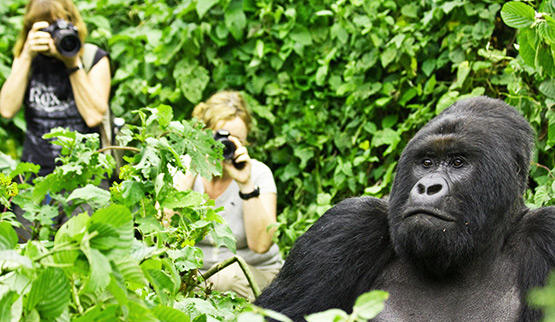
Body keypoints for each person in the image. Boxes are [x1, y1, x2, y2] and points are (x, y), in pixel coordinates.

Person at [172, 91, 282, 301]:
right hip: (196, 276)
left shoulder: (258, 174)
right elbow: (164, 228)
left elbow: (261, 245)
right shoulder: (182, 169)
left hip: (253, 274)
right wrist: (195, 165)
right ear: (203, 134)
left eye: (235, 140)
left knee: (226, 279)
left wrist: (245, 184)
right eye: (219, 138)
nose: (225, 147)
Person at [0, 0, 111, 176]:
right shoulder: (27, 59)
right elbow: (6, 110)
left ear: (73, 24)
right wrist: (26, 56)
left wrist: (72, 63)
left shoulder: (92, 57)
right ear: (31, 30)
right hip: (34, 173)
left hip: (86, 173)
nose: (53, 36)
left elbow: (93, 117)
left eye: (58, 27)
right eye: (46, 29)